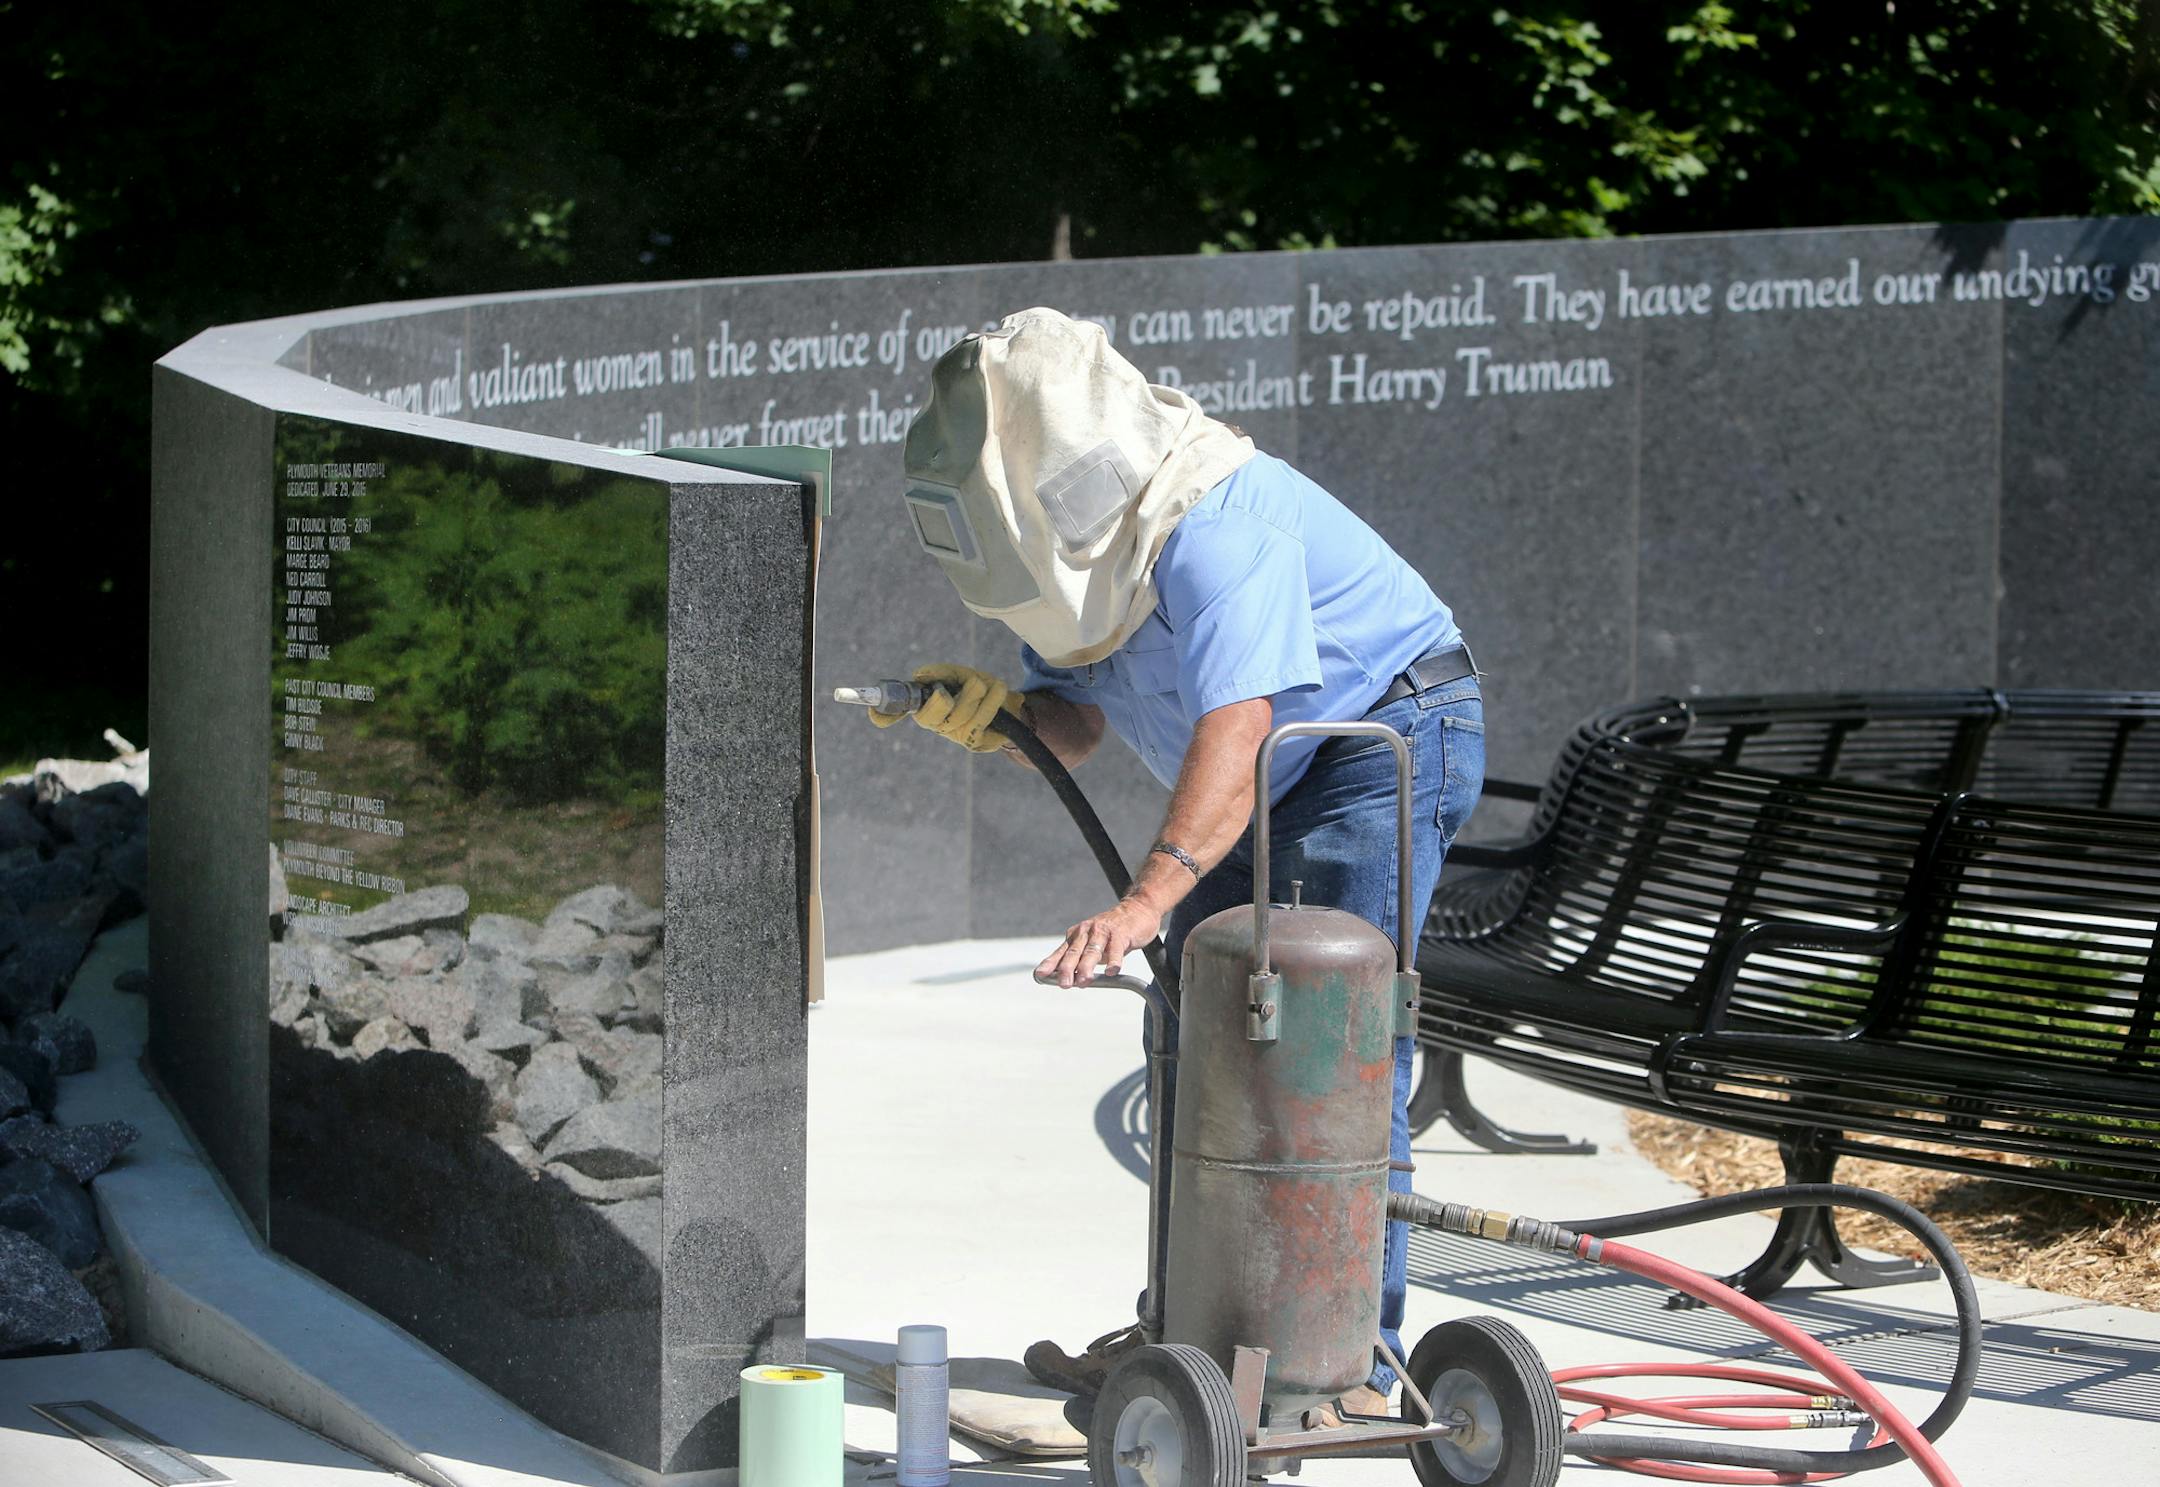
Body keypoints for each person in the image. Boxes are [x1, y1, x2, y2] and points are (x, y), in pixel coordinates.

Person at [874, 306, 1483, 1420]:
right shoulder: (1065, 559)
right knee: (1196, 1042)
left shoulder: (1219, 522)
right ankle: (1190, 1336)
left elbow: (1240, 724)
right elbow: (1081, 723)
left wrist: (1150, 895)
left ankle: (1344, 1360)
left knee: (1334, 1050)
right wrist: (996, 715)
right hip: (1259, 769)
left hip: (1375, 738)